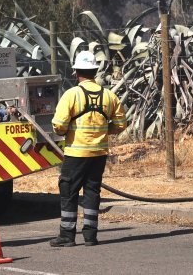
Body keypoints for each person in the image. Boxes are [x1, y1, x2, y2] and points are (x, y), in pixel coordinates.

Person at [49, 50, 127, 247]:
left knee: (69, 191)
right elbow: (120, 124)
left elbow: (58, 126)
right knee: (92, 191)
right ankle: (90, 236)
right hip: (98, 154)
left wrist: (67, 131)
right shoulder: (109, 96)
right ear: (95, 71)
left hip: (76, 153)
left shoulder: (71, 95)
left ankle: (67, 235)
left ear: (76, 72)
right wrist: (103, 131)